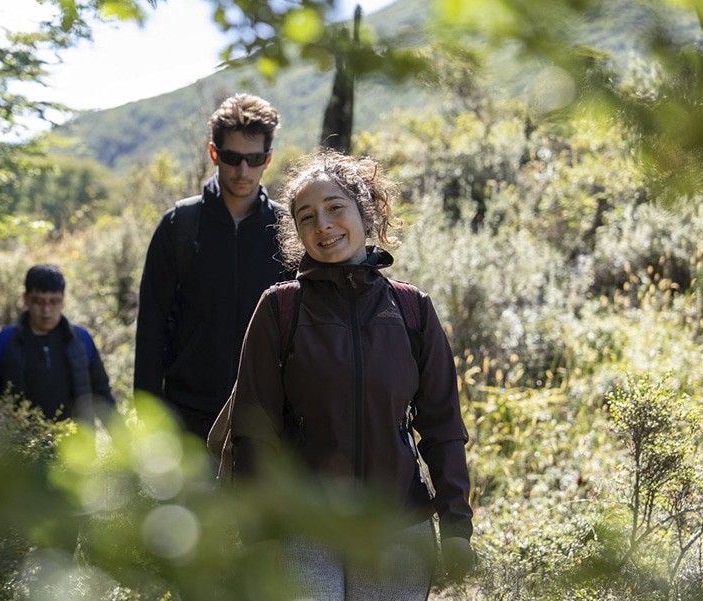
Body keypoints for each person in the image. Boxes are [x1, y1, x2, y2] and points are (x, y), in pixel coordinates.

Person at [219, 150, 475, 599]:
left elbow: (443, 427)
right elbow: (253, 433)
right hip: (303, 531)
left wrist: (456, 527)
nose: (323, 225)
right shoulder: (279, 308)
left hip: (398, 528)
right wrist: (258, 537)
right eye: (307, 217)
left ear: (365, 211)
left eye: (335, 208)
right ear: (297, 232)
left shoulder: (412, 309)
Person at [134, 93, 291, 440]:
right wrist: (148, 419)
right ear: (214, 154)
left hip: (266, 420)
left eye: (255, 159)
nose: (243, 171)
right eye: (232, 158)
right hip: (187, 418)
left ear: (268, 158)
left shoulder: (286, 230)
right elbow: (151, 329)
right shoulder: (178, 226)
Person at [0, 264, 115, 424]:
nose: (46, 310)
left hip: (75, 438)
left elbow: (102, 395)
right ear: (25, 299)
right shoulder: (4, 341)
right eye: (38, 301)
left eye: (54, 301)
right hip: (18, 438)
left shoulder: (81, 340)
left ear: (63, 300)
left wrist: (123, 437)